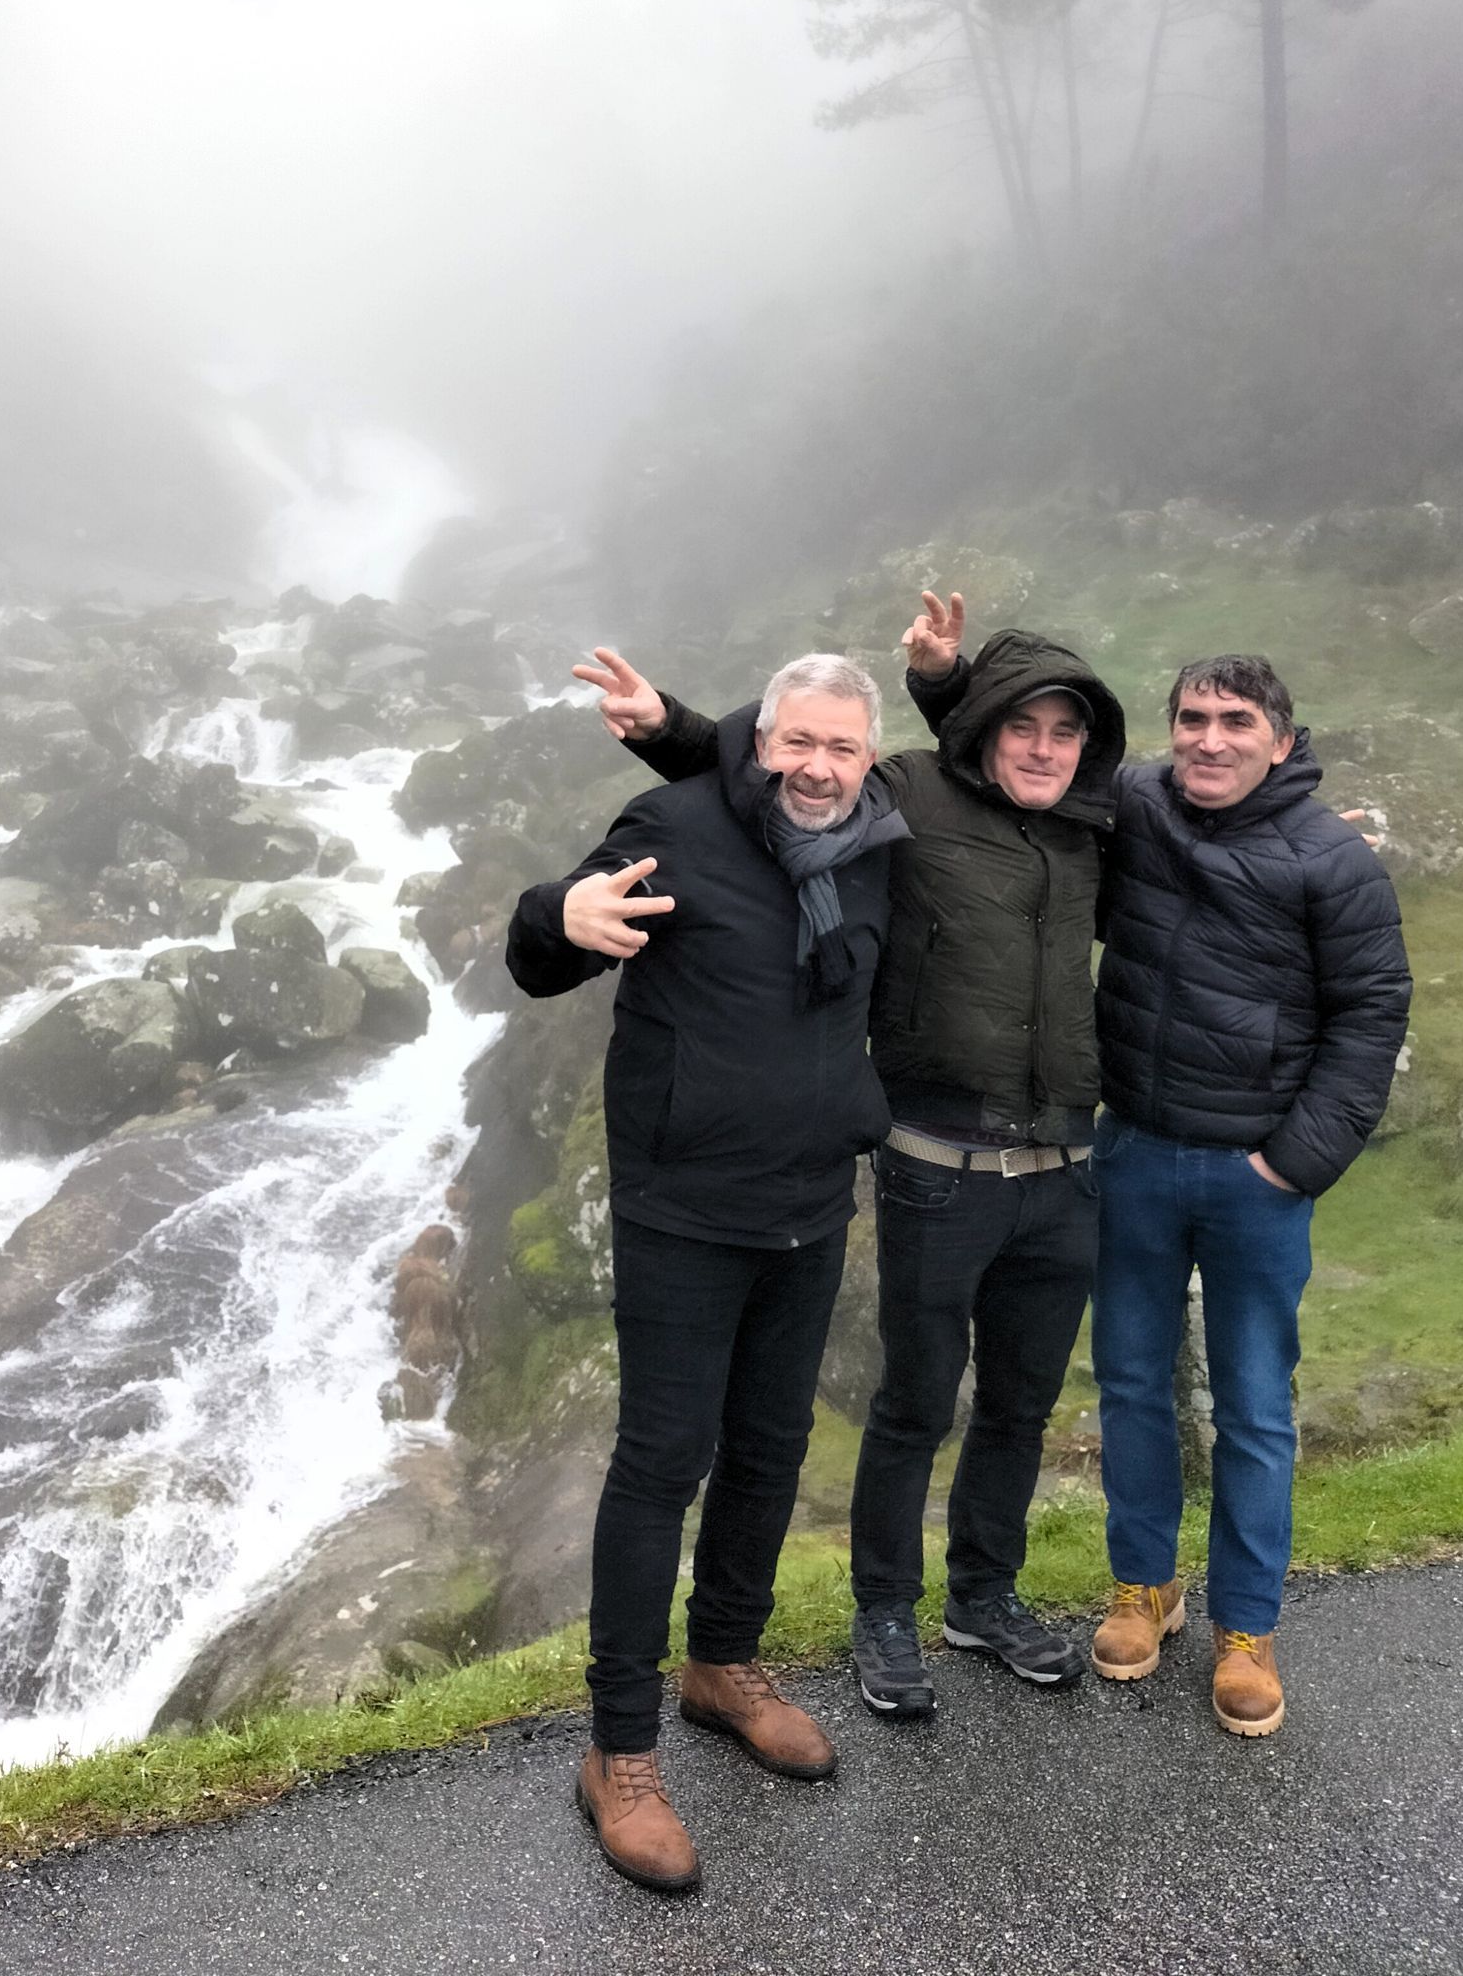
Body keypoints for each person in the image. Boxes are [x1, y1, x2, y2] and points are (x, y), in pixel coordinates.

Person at [580, 603, 1126, 1725]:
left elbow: (814, 762)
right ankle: (874, 1614)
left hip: (1054, 1161)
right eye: (1019, 722)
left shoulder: (1093, 827)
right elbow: (782, 767)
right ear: (977, 727)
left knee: (1009, 1405)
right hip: (916, 1161)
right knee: (904, 1404)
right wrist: (665, 729)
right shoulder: (908, 799)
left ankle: (975, 1596)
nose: (1042, 745)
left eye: (1065, 730)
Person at [908, 627, 1411, 1737]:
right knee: (1130, 1384)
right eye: (1193, 718)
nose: (1211, 739)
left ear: (1281, 742)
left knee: (1254, 1408)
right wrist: (942, 682)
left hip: (1257, 1177)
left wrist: (1297, 1160)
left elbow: (1372, 1017)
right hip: (1131, 1150)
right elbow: (1018, 767)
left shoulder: (1335, 860)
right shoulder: (1133, 801)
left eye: (1236, 722)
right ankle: (1145, 1588)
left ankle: (1247, 1626)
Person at [506, 653, 906, 1894]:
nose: (820, 767)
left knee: (773, 1445)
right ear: (759, 738)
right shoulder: (672, 823)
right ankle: (619, 1750)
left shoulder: (879, 836)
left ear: (868, 754)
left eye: (844, 747)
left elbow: (1028, 786)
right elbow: (545, 947)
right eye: (799, 742)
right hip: (683, 1206)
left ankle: (722, 1662)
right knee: (660, 1461)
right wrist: (554, 918)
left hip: (809, 1198)